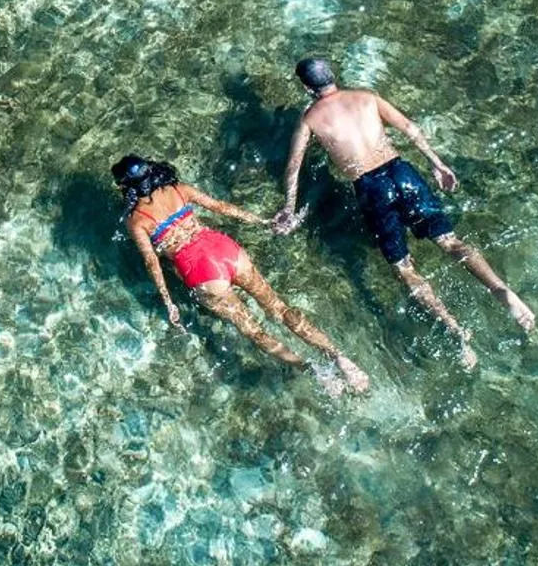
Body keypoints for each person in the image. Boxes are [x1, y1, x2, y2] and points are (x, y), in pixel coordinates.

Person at [274, 57, 534, 370]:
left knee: (403, 267)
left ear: (305, 87)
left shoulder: (310, 118)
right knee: (450, 242)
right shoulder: (367, 98)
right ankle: (502, 290)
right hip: (403, 173)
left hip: (371, 188)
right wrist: (438, 165)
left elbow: (294, 166)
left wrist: (289, 208)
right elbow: (410, 128)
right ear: (333, 76)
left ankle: (457, 332)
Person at [113, 154, 370, 394]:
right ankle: (336, 354)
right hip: (225, 249)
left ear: (126, 187)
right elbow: (221, 207)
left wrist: (168, 301)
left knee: (254, 331)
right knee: (279, 308)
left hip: (201, 271)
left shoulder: (137, 220)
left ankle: (312, 370)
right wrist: (262, 221)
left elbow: (151, 261)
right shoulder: (179, 189)